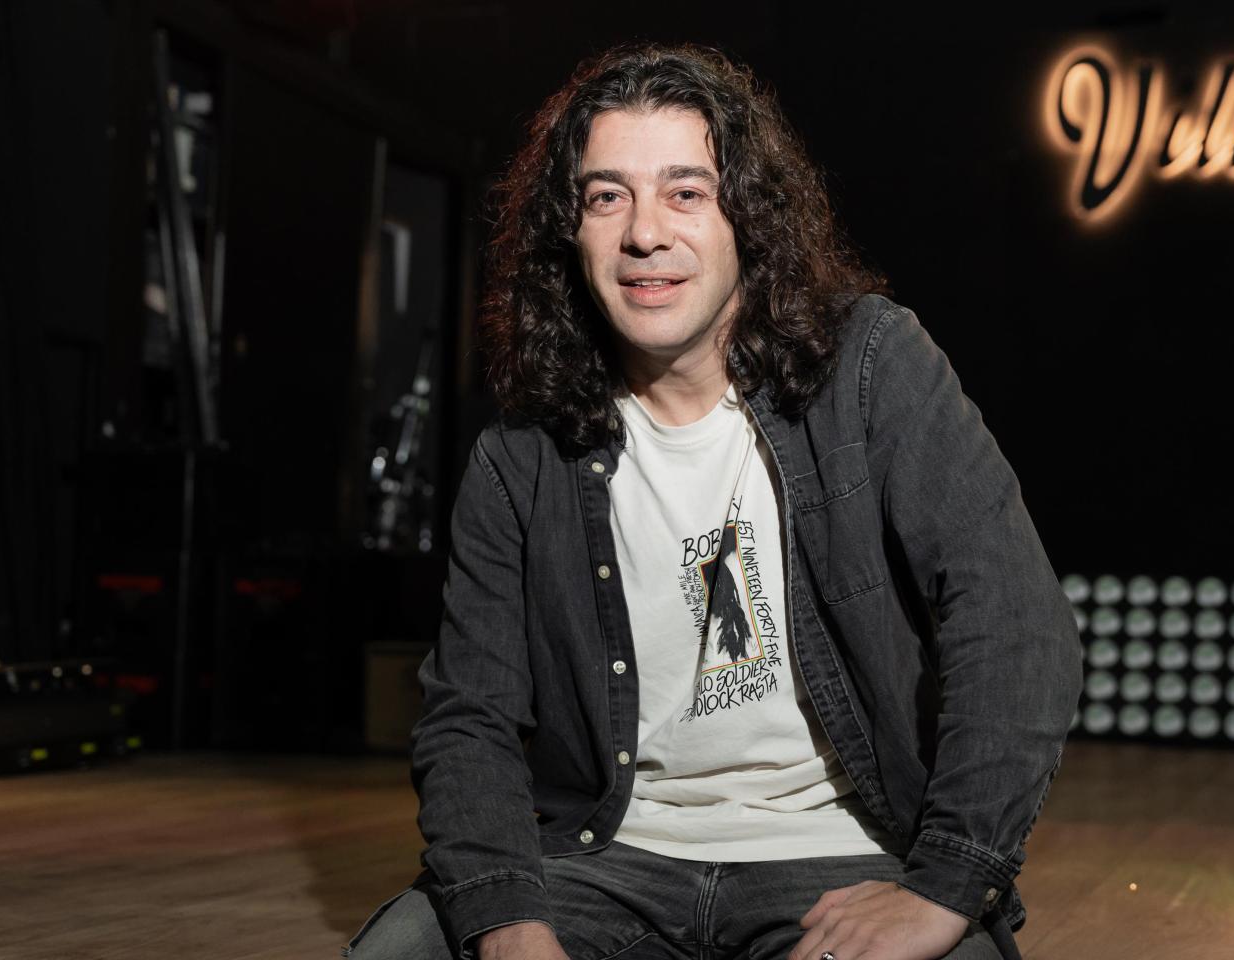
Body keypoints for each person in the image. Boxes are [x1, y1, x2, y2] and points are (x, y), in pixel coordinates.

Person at [345, 43, 1082, 960]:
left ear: (749, 217)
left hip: (840, 856)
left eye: (686, 192)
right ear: (570, 231)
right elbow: (469, 716)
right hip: (601, 859)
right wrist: (507, 921)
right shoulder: (520, 457)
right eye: (607, 196)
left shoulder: (870, 370)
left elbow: (1014, 621)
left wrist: (946, 885)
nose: (644, 234)